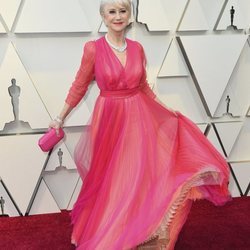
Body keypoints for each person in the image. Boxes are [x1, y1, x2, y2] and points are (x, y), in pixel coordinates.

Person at [49, 0, 231, 249]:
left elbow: (143, 86)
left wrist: (166, 110)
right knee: (113, 179)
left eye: (123, 11)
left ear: (129, 15)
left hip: (138, 118)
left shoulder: (137, 49)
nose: (118, 16)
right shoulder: (93, 49)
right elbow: (79, 85)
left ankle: (140, 229)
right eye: (112, 12)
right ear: (103, 16)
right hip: (110, 120)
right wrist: (59, 117)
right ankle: (110, 230)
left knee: (137, 175)